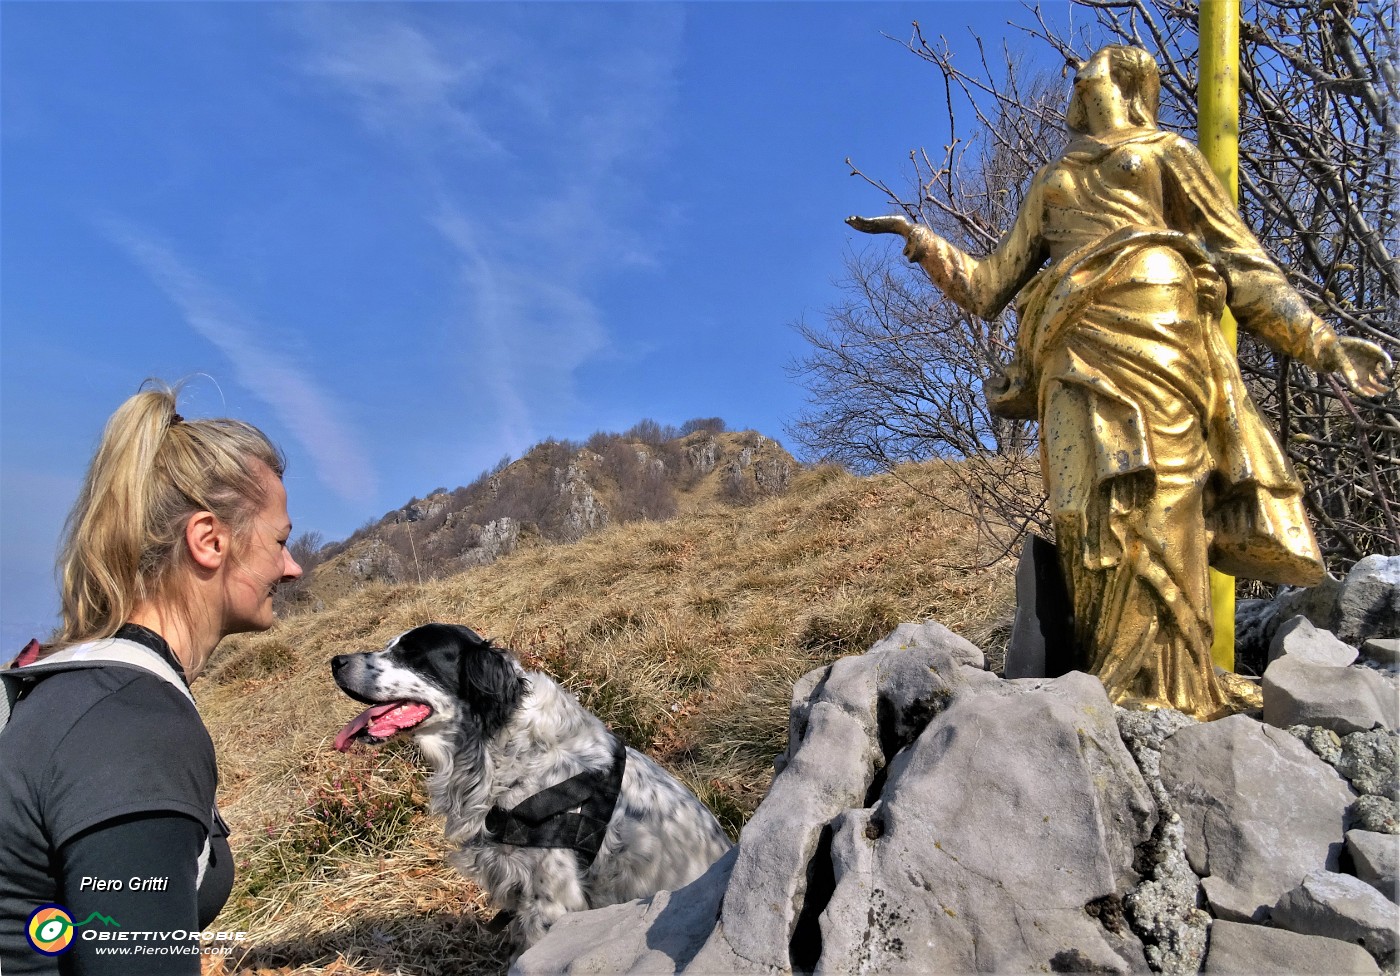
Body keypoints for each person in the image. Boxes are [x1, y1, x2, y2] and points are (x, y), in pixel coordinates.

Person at [849, 44, 1391, 721]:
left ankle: (1176, 685)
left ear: (1127, 79)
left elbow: (1244, 265)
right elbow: (989, 286)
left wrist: (1325, 344)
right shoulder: (1052, 179)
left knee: (1162, 500)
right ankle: (1109, 675)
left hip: (1161, 339)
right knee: (1085, 511)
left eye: (1095, 65)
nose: (1082, 73)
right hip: (1070, 352)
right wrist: (921, 240)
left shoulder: (1167, 153)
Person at [0, 382, 303, 974]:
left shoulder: (78, 692)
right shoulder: (134, 729)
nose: (292, 568)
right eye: (281, 541)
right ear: (210, 540)